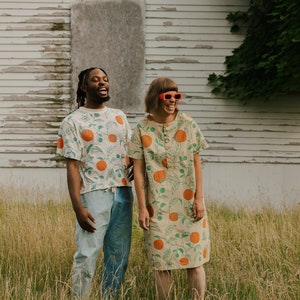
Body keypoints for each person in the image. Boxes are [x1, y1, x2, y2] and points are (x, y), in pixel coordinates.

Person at [127, 77, 210, 300]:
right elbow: (138, 175)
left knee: (194, 261)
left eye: (176, 96)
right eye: (167, 96)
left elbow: (196, 164)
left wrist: (199, 199)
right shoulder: (142, 129)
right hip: (158, 208)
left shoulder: (188, 124)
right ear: (156, 98)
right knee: (162, 263)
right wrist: (142, 208)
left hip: (188, 204)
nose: (173, 101)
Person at [56, 67, 134, 299]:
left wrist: (135, 166)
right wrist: (78, 207)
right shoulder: (73, 121)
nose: (102, 83)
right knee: (87, 254)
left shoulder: (120, 116)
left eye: (105, 79)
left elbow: (132, 151)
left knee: (118, 256)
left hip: (123, 193)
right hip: (93, 193)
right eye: (95, 80)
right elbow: (72, 167)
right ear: (83, 86)